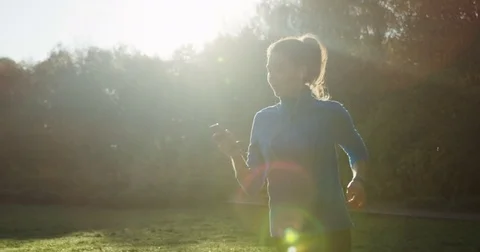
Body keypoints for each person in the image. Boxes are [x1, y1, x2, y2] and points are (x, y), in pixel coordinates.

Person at [212, 33, 368, 252]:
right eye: (269, 69)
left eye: (279, 68)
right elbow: (253, 185)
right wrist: (233, 154)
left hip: (331, 231)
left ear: (301, 70)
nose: (271, 76)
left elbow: (357, 151)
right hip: (285, 235)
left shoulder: (332, 113)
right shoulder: (262, 119)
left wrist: (358, 179)